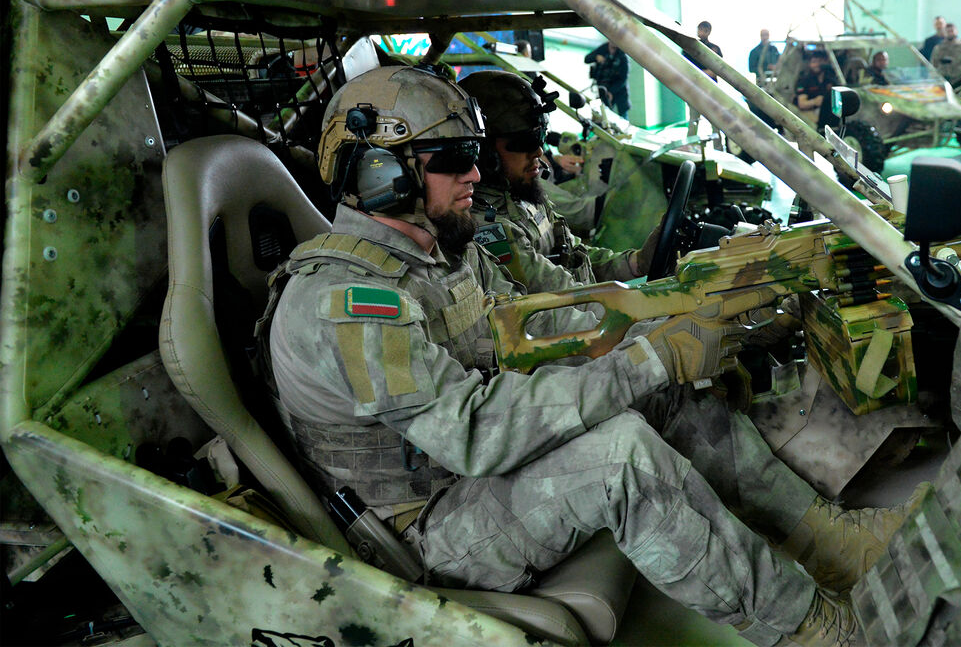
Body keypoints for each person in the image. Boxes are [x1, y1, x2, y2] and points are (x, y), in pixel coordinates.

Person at [266, 64, 927, 647]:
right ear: (380, 171)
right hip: (425, 528)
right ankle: (813, 630)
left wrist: (664, 335)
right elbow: (473, 433)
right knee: (619, 458)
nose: (475, 172)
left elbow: (555, 327)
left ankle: (832, 543)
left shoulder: (438, 258)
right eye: (452, 157)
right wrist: (650, 359)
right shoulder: (346, 303)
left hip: (469, 482)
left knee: (661, 392)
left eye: (474, 152)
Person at [459, 69, 651, 290]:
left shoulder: (522, 197)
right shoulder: (485, 228)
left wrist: (635, 262)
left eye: (540, 137)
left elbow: (574, 256)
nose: (539, 152)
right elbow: (561, 295)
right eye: (526, 142)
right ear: (484, 152)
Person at [684, 21, 724, 136]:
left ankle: (718, 146)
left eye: (704, 30)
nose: (701, 32)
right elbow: (687, 69)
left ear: (708, 31)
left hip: (711, 89)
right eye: (700, 29)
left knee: (715, 121)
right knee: (693, 120)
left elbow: (718, 70)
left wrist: (701, 73)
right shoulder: (690, 48)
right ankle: (691, 145)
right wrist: (705, 73)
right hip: (694, 89)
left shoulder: (715, 49)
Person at [794, 50, 840, 131]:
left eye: (820, 61)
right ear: (809, 64)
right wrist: (815, 101)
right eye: (814, 62)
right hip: (809, 112)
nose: (817, 64)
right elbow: (802, 104)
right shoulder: (805, 80)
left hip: (828, 113)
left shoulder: (829, 80)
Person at [583, 41, 631, 118]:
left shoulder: (623, 56)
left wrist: (611, 91)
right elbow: (587, 59)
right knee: (599, 113)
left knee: (623, 114)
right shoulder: (602, 49)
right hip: (602, 88)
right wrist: (596, 57)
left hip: (618, 90)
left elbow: (623, 78)